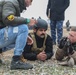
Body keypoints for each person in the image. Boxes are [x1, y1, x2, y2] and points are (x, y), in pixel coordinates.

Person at [0, 0, 36, 70]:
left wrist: (25, 36)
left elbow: (9, 25)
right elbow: (8, 18)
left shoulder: (14, 3)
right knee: (23, 27)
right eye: (31, 1)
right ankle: (16, 60)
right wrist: (27, 21)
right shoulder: (10, 2)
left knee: (22, 31)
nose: (30, 4)